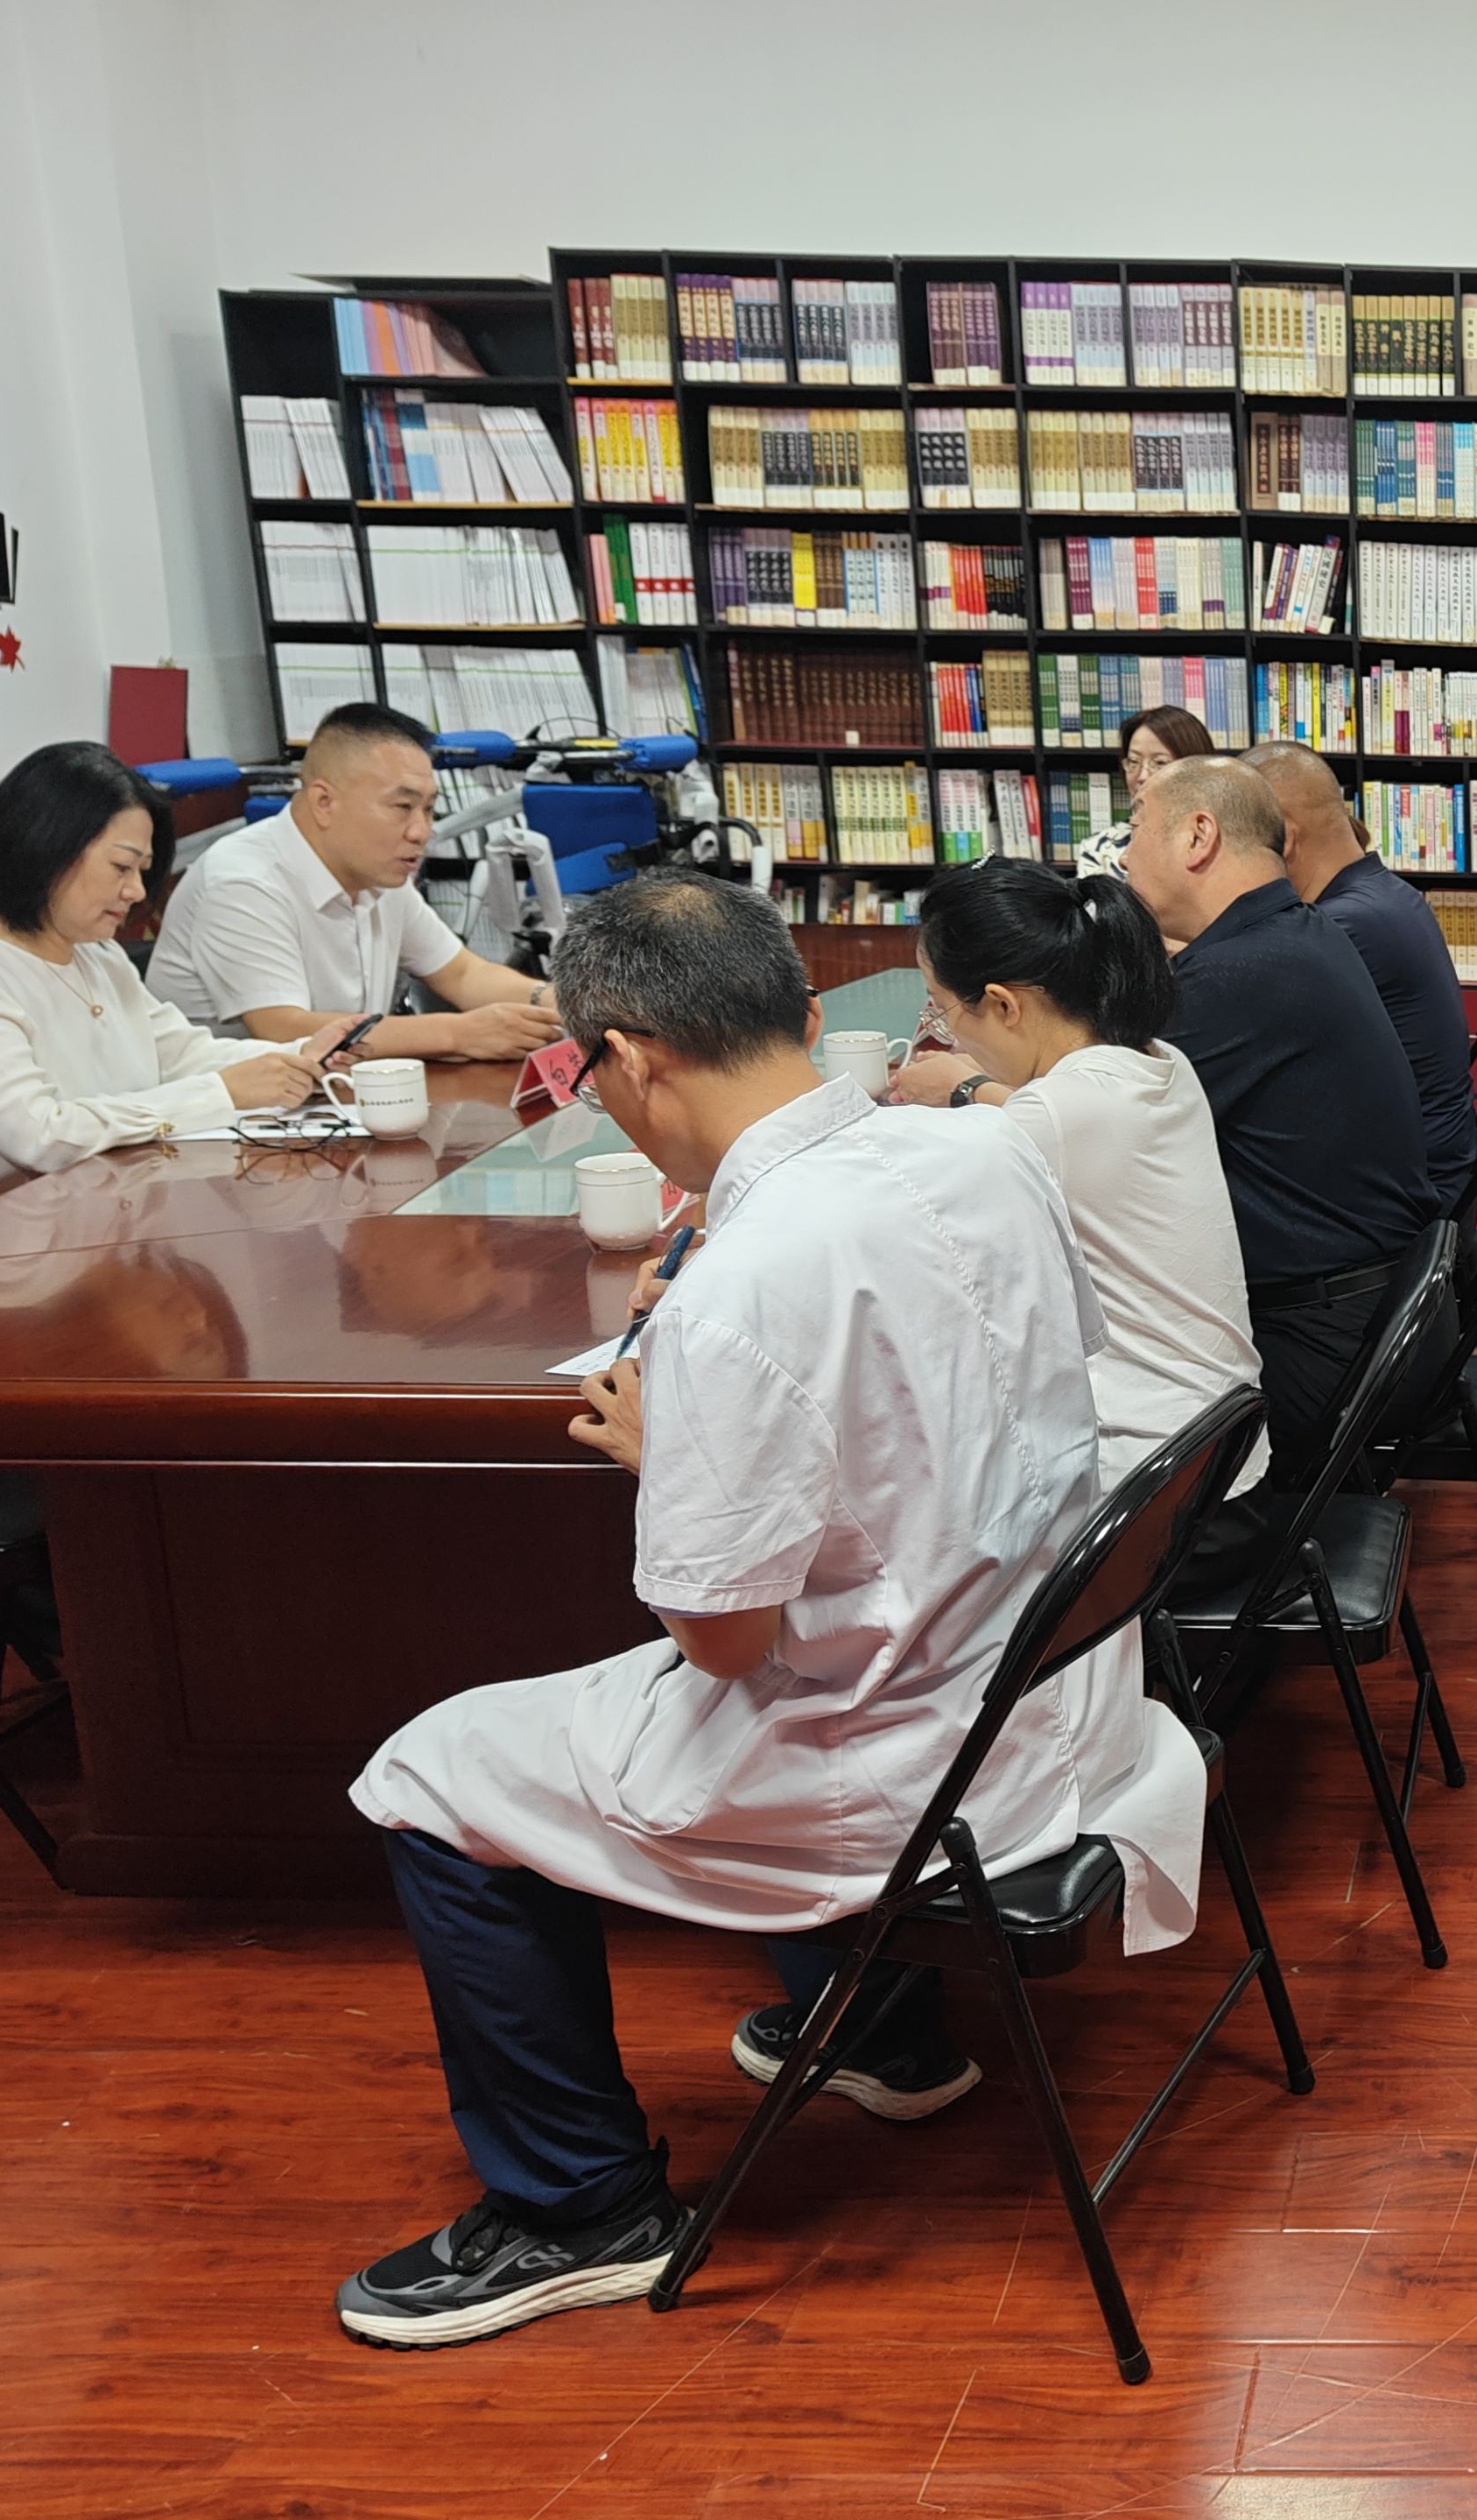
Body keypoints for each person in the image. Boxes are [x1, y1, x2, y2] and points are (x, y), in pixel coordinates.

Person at [335, 869, 1202, 2351]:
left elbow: (724, 1642)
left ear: (627, 1058)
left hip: (912, 1767)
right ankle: (879, 2026)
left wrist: (674, 1453)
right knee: (806, 1614)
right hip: (1057, 1691)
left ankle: (579, 2206)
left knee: (428, 1770)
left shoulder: (738, 1289)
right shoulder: (989, 1148)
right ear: (801, 1014)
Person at [886, 858, 1269, 1495]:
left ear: (1003, 1004)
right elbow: (1056, 1119)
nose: (944, 1031)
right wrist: (972, 1088)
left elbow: (903, 1224)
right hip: (1221, 1450)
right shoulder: (1159, 1060)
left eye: (941, 1008)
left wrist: (959, 1091)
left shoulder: (1051, 1117)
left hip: (1149, 1492)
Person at [1120, 753, 1434, 1476]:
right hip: (1367, 1317)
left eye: (1135, 827)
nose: (1125, 855)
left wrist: (969, 1087)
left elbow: (1106, 1125)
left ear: (1198, 837)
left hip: (1322, 1346)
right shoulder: (1297, 934)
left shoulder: (1241, 972)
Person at [0, 741, 334, 1207]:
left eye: (142, 870)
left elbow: (178, 1054)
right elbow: (41, 1137)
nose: (136, 891)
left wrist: (304, 1056)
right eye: (121, 867)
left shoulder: (98, 955)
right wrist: (220, 1095)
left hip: (107, 1205)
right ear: (46, 849)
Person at [145, 702, 566, 1060]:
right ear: (324, 801)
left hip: (332, 1103)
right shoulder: (243, 882)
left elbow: (462, 974)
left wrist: (567, 1005)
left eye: (428, 809)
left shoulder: (380, 871)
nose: (421, 831)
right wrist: (459, 1033)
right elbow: (283, 1030)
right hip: (223, 1120)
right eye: (402, 807)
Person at [1243, 738, 1477, 1219]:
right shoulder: (1380, 894)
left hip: (1409, 1203)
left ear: (1283, 839)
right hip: (1432, 1170)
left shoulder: (1342, 927)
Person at [1071, 703, 1220, 882]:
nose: (1142, 776)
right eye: (1134, 761)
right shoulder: (1100, 849)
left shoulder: (1223, 843)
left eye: (1160, 763)